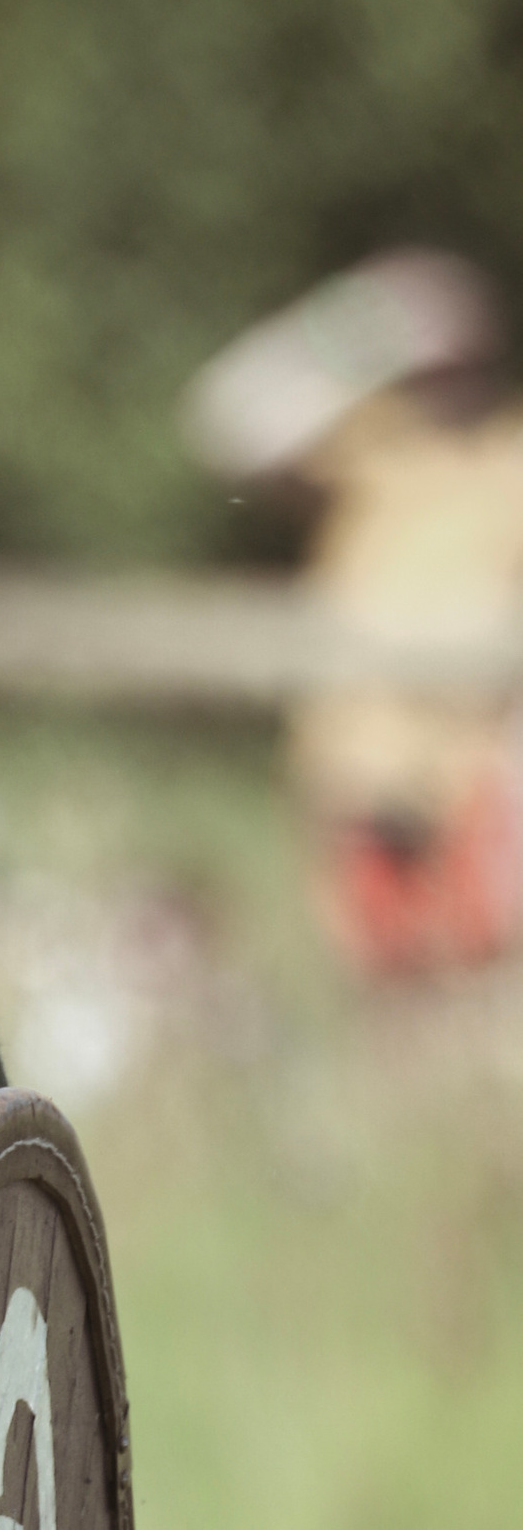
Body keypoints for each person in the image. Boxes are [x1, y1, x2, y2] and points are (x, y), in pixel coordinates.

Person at [182, 248, 523, 981]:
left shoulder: (511, 453)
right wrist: (362, 324)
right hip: (357, 764)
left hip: (478, 770)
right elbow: (224, 422)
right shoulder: (369, 437)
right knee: (381, 982)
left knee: (480, 978)